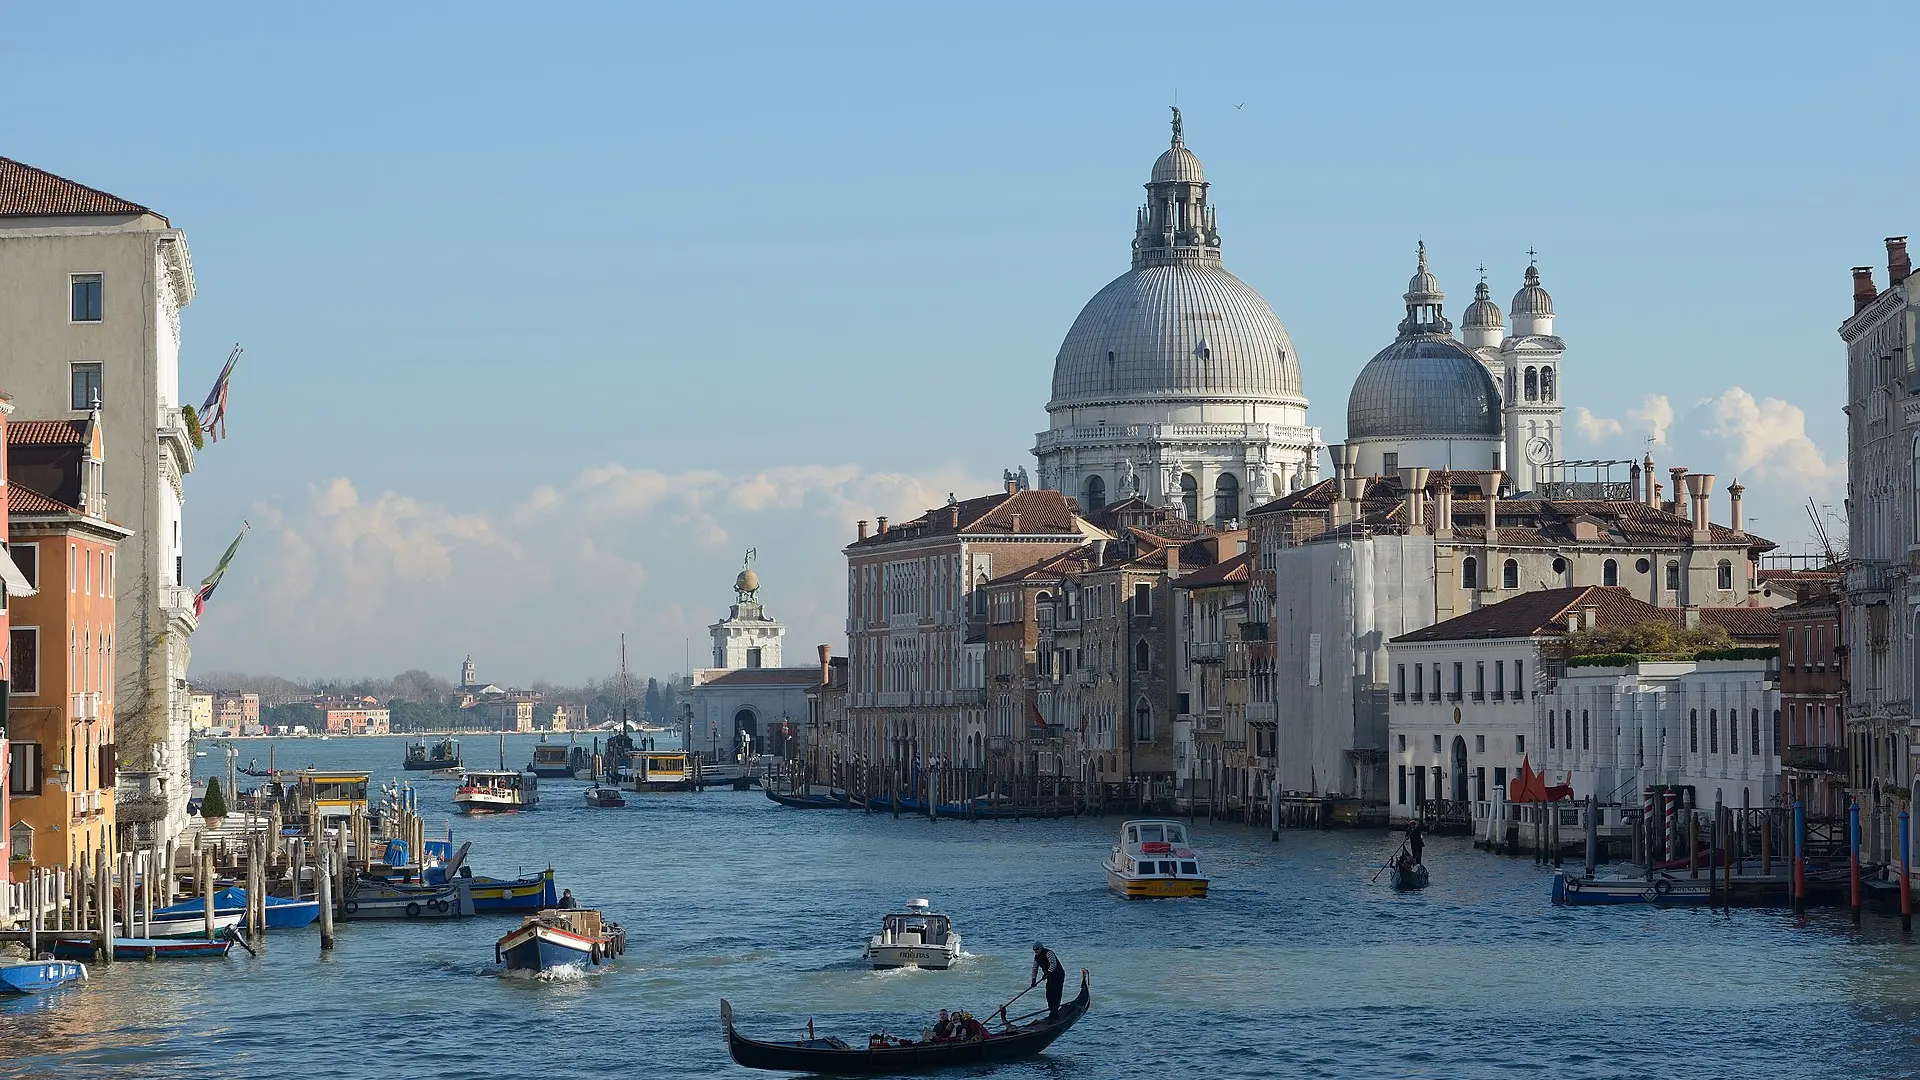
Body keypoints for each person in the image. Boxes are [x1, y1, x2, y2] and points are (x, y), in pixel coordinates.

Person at [1030, 942, 1066, 1020]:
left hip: (1058, 975)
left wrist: (1048, 972)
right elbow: (1035, 968)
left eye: (1036, 949)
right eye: (1034, 950)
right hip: (1049, 976)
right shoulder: (1036, 957)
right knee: (1049, 995)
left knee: (1056, 994)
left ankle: (1055, 1014)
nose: (1035, 951)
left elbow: (1053, 964)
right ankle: (1052, 1012)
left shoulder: (1049, 953)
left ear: (1041, 948)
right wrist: (1033, 980)